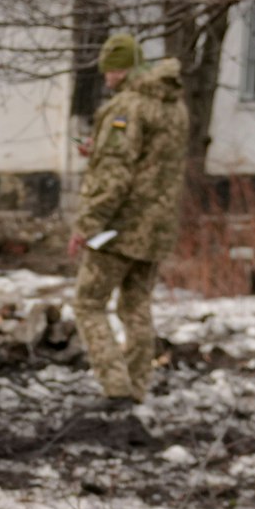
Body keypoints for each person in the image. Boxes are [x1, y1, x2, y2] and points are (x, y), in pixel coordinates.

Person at [66, 33, 188, 404]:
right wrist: (100, 149)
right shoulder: (174, 106)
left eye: (110, 71)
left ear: (122, 69)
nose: (106, 78)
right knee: (135, 306)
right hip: (157, 226)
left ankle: (115, 386)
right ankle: (137, 387)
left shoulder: (128, 107)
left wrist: (86, 226)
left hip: (120, 228)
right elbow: (151, 161)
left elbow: (115, 177)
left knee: (88, 304)